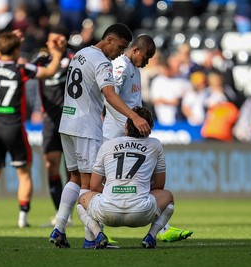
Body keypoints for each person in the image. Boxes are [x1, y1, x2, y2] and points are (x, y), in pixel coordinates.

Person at [49, 23, 151, 248]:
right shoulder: (102, 62)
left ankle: (59, 228)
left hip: (66, 122)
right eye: (120, 47)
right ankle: (92, 237)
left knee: (75, 179)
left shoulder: (81, 54)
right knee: (92, 185)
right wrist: (134, 117)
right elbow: (109, 95)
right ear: (109, 40)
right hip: (86, 126)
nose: (120, 53)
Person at [103, 34, 193, 242]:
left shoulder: (134, 68)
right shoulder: (121, 66)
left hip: (132, 129)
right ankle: (97, 232)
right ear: (135, 50)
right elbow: (109, 97)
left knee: (148, 173)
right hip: (117, 132)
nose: (147, 61)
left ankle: (163, 228)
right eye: (146, 56)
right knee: (107, 180)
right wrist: (130, 120)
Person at [0, 30, 66, 228]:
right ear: (17, 50)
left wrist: (8, 39)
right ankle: (22, 219)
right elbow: (50, 71)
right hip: (14, 127)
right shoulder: (21, 69)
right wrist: (57, 52)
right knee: (24, 174)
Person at [76, 106, 175, 249]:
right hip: (141, 213)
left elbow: (94, 185)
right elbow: (160, 185)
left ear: (126, 126)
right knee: (168, 196)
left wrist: (116, 192)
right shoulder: (155, 144)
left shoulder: (108, 145)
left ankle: (98, 235)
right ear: (150, 127)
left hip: (107, 212)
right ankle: (151, 237)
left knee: (81, 200)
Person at [30, 26, 74, 223]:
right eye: (50, 40)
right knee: (51, 166)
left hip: (71, 121)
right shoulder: (41, 60)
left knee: (72, 169)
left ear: (64, 40)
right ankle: (61, 214)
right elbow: (29, 73)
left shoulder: (74, 59)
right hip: (49, 120)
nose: (52, 44)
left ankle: (74, 211)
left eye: (56, 40)